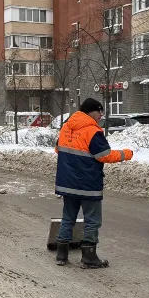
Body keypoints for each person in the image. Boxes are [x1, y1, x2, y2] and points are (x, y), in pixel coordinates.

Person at [54, 98, 133, 268]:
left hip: (67, 183)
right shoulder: (92, 131)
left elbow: (57, 148)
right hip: (87, 184)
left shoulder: (66, 127)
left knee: (68, 218)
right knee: (92, 220)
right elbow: (104, 155)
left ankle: (61, 254)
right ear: (91, 112)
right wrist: (126, 154)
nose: (101, 115)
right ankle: (89, 257)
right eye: (99, 111)